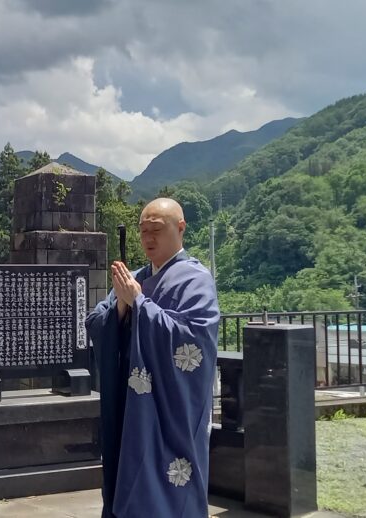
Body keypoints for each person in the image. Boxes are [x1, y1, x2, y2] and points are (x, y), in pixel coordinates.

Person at [85, 197, 220, 518]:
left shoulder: (195, 279)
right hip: (129, 404)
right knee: (124, 468)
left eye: (156, 230)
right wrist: (121, 305)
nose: (148, 238)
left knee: (171, 480)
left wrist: (139, 303)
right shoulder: (134, 277)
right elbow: (95, 323)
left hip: (169, 408)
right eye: (143, 230)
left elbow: (194, 336)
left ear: (181, 228)